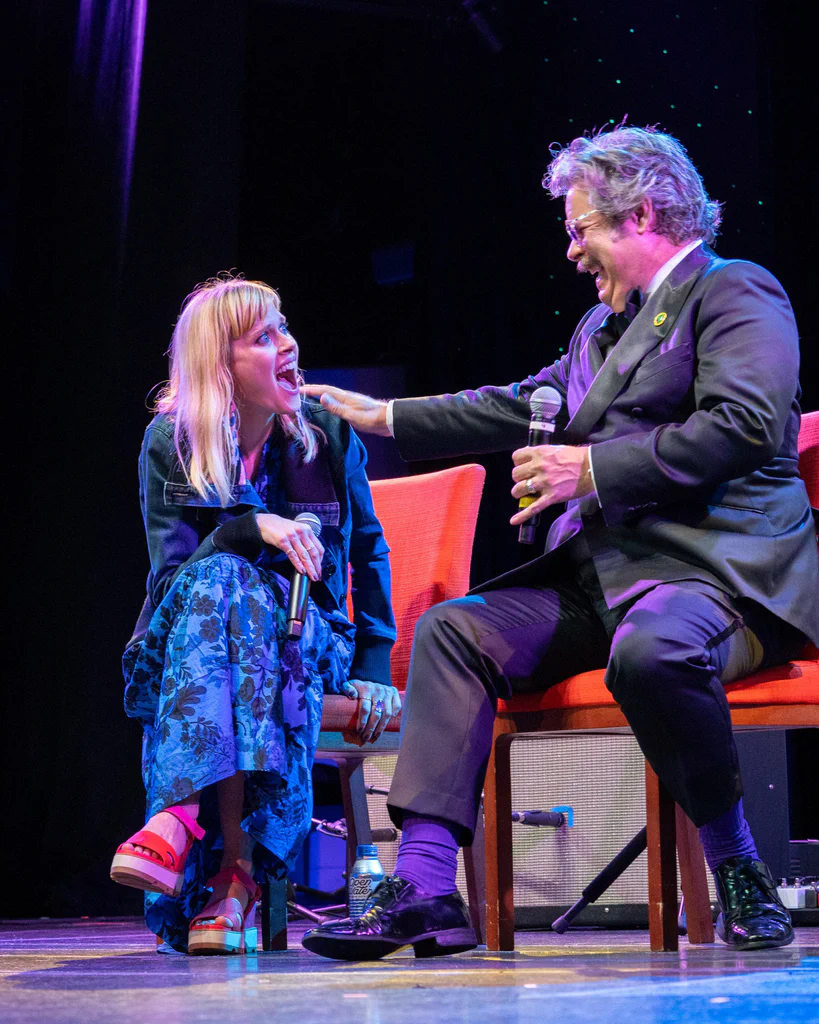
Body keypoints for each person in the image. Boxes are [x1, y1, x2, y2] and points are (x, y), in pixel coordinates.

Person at [300, 126, 819, 960]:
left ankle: (738, 869)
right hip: (603, 577)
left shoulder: (733, 291)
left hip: (715, 570)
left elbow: (746, 424)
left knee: (651, 652)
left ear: (640, 214)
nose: (571, 249)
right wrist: (388, 416)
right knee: (454, 631)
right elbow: (523, 401)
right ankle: (427, 889)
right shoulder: (597, 330)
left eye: (581, 228)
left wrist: (592, 470)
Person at [110, 276, 399, 954]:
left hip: (309, 637)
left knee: (236, 601)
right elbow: (173, 580)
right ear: (221, 363)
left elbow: (368, 550)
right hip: (194, 639)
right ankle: (234, 881)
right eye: (264, 337)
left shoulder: (325, 435)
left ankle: (177, 818)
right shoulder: (173, 440)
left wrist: (374, 661)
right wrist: (251, 529)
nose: (288, 345)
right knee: (223, 584)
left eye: (284, 328)